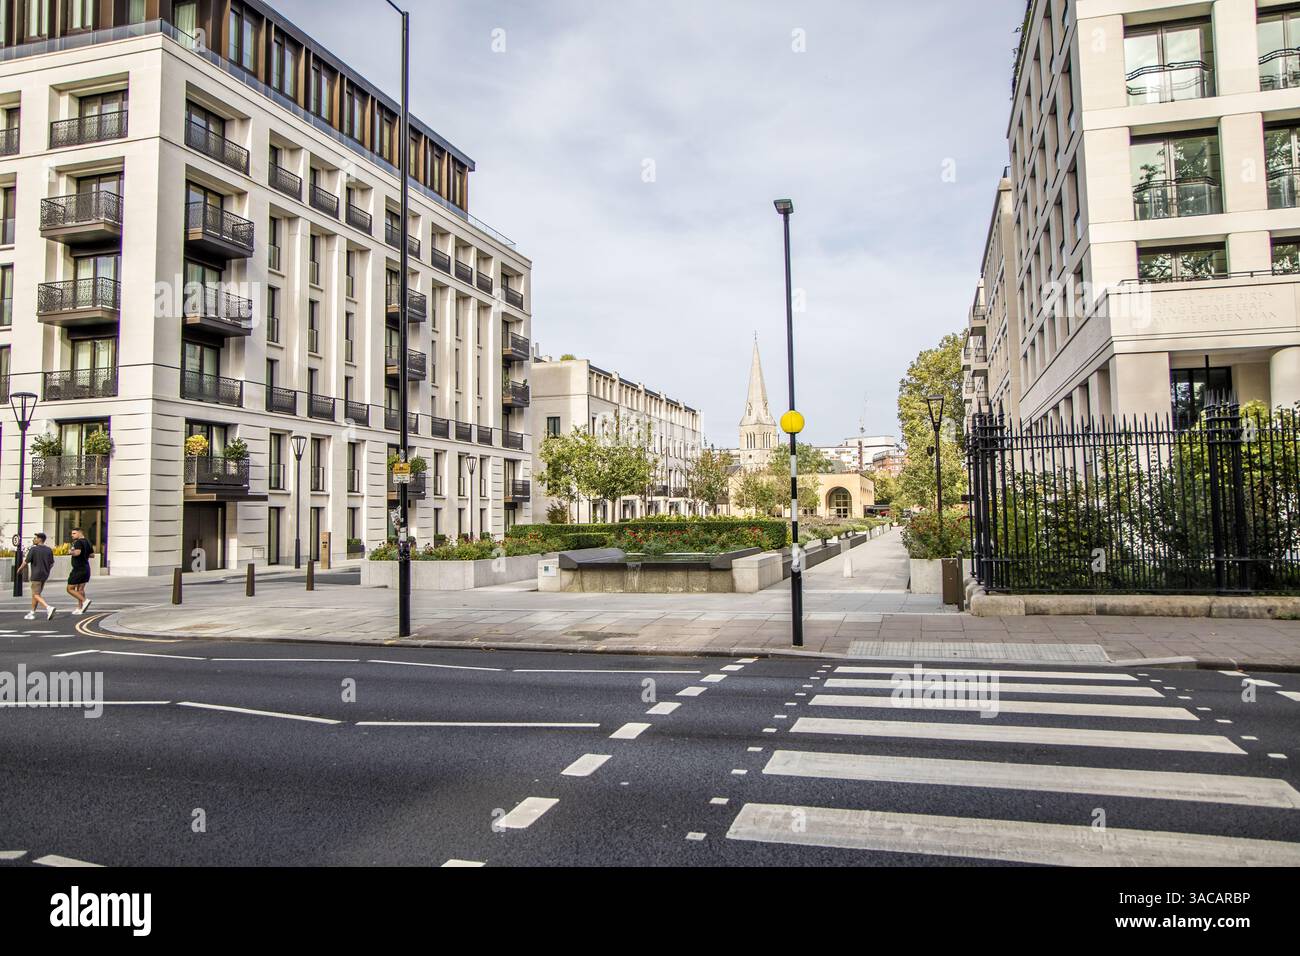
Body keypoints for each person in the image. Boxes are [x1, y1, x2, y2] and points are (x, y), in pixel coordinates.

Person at [16, 532, 56, 621]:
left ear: (40, 539)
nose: (34, 539)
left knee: (35, 594)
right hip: (44, 575)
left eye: (35, 538)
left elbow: (26, 561)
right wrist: (47, 570)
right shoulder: (49, 550)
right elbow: (52, 563)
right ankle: (32, 612)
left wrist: (19, 569)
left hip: (36, 575)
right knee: (36, 594)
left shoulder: (34, 549)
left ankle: (48, 608)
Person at [66, 528, 93, 615]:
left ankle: (85, 601)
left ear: (80, 533)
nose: (72, 535)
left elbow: (77, 553)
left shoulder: (78, 542)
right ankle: (80, 608)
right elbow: (92, 555)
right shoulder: (87, 542)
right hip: (86, 567)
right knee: (80, 589)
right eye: (72, 533)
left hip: (78, 569)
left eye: (74, 533)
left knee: (69, 588)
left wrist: (70, 552)